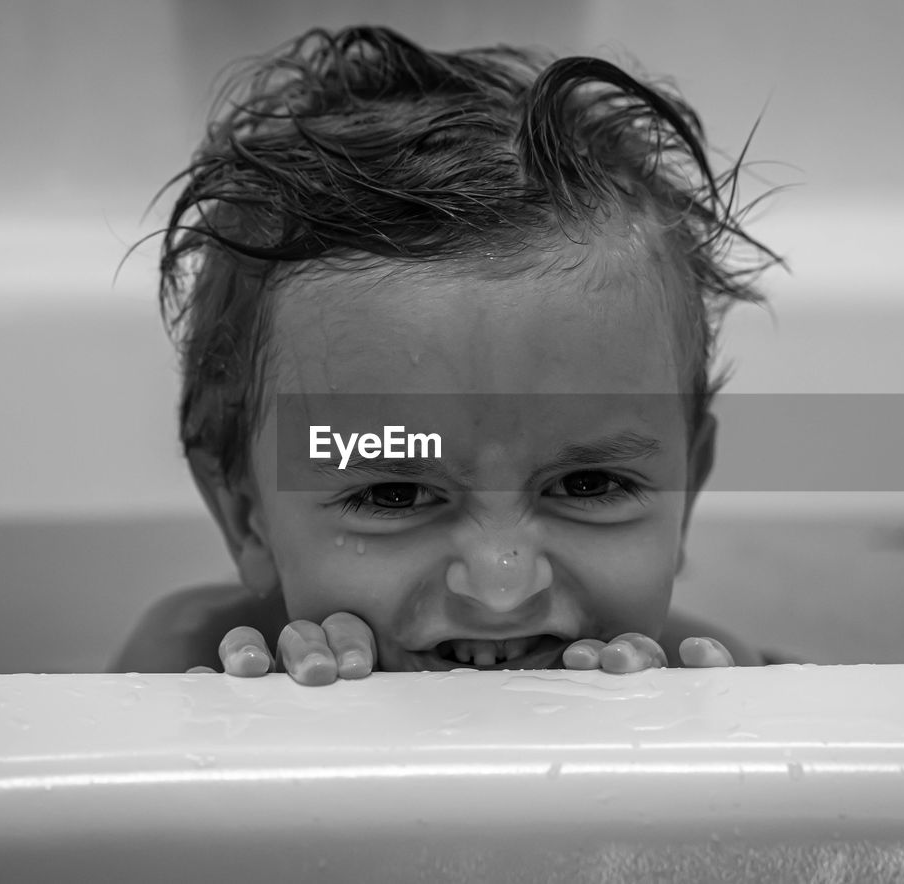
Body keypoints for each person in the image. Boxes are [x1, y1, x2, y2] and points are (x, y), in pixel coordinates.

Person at [112, 25, 781, 684]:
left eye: (589, 486)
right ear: (245, 517)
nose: (501, 586)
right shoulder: (190, 670)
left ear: (687, 490)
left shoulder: (704, 678)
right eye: (395, 492)